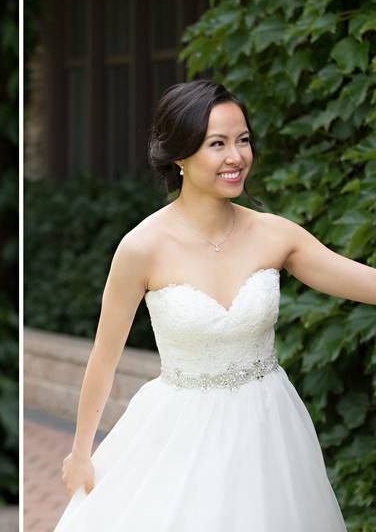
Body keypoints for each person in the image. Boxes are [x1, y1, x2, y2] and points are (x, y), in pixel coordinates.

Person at [54, 80, 372, 531]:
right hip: (180, 431)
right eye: (217, 144)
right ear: (179, 155)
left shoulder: (275, 234)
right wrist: (81, 451)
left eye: (243, 141)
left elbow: (366, 284)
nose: (236, 157)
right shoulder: (142, 247)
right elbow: (104, 358)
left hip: (269, 426)